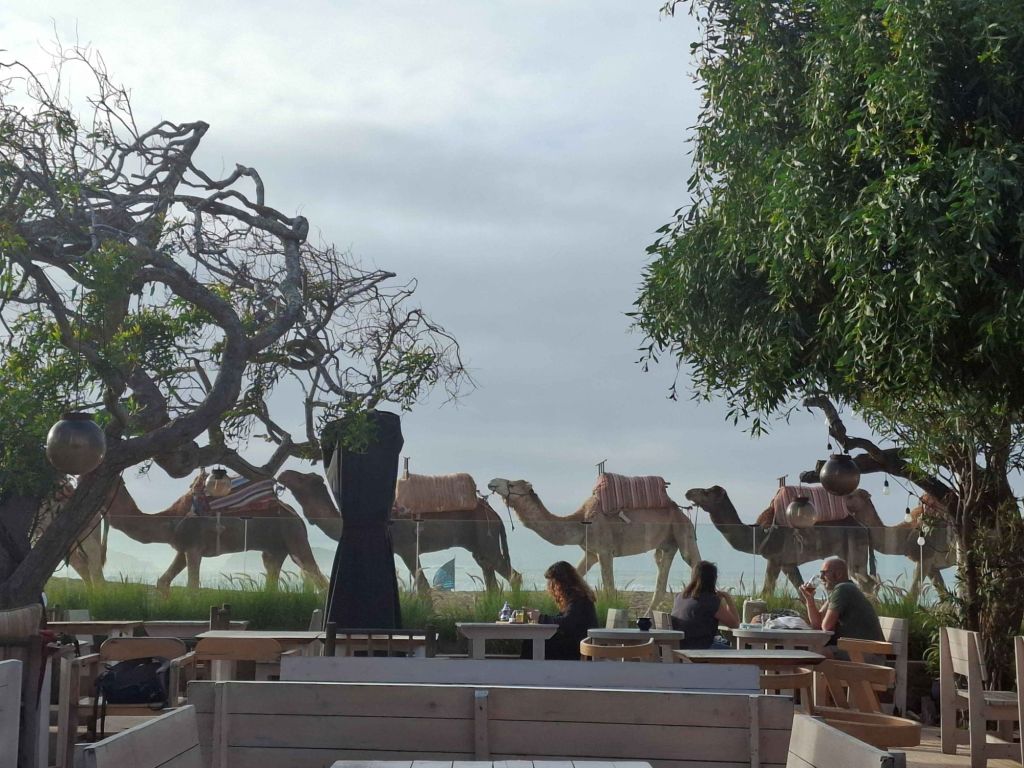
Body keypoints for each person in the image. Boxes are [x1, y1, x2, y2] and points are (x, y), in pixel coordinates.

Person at [799, 556, 882, 657]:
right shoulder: (842, 589)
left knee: (814, 655)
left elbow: (826, 627)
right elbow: (817, 625)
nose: (821, 577)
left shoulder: (843, 589)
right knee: (812, 653)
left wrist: (828, 621)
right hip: (857, 649)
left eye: (824, 573)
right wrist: (810, 600)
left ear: (838, 574)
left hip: (866, 653)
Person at [523, 560, 598, 660]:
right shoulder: (577, 596)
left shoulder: (579, 598)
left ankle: (528, 669)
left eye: (553, 584)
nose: (551, 588)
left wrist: (540, 618)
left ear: (562, 583)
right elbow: (563, 618)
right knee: (531, 641)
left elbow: (566, 622)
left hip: (578, 649)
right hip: (577, 645)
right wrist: (540, 617)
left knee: (531, 643)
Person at [670, 560, 740, 649]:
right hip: (700, 648)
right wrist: (728, 598)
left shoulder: (680, 597)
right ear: (713, 579)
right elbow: (735, 624)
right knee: (738, 653)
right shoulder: (710, 600)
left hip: (679, 646)